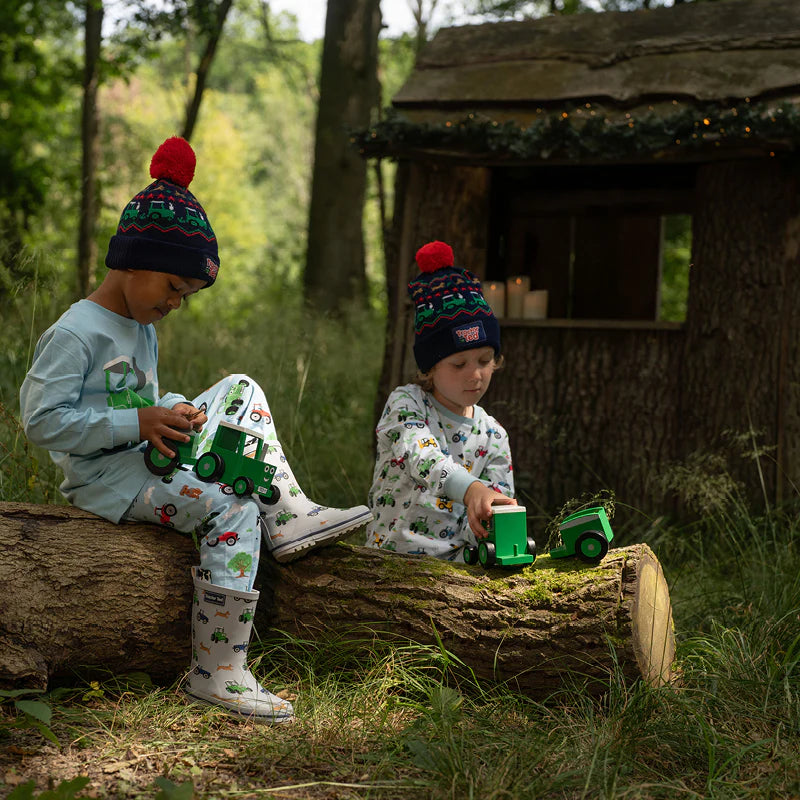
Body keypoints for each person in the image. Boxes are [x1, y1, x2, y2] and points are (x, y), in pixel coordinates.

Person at [19, 136, 372, 725]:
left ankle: (288, 515)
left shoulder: (140, 323)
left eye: (188, 294)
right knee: (228, 507)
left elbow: (140, 401)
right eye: (174, 287)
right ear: (132, 260)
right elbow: (41, 421)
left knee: (241, 387)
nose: (177, 303)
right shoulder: (77, 333)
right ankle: (219, 669)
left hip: (143, 450)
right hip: (107, 480)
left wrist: (172, 411)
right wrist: (141, 420)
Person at [366, 240, 516, 561]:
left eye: (485, 360)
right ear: (431, 368)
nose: (475, 375)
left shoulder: (494, 436)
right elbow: (424, 458)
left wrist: (491, 518)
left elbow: (497, 502)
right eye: (459, 364)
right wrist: (472, 489)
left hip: (460, 568)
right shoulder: (406, 404)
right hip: (391, 559)